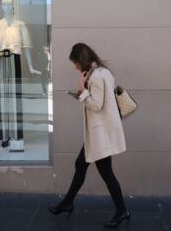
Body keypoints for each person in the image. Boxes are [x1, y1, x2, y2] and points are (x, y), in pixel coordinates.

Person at [47, 43, 130, 229]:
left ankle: (122, 210)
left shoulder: (97, 77)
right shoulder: (101, 72)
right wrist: (84, 92)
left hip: (100, 134)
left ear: (82, 60)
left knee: (106, 173)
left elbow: (97, 105)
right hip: (99, 133)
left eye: (75, 63)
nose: (75, 67)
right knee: (81, 165)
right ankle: (67, 202)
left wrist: (82, 90)